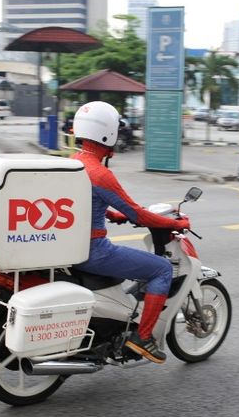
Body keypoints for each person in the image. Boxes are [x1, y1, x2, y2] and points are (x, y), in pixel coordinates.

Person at [71, 101, 189, 364]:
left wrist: (111, 214)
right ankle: (143, 338)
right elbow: (139, 214)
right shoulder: (100, 174)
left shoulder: (73, 162)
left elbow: (79, 203)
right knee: (161, 269)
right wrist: (174, 224)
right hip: (94, 251)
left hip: (71, 247)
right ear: (109, 133)